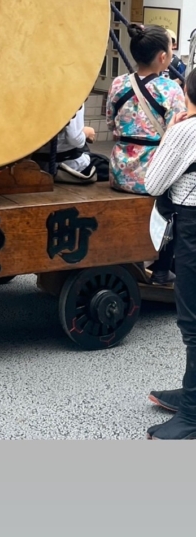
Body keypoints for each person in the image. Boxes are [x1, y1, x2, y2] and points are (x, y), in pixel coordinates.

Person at [106, 23, 186, 283]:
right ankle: (162, 268)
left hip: (119, 171)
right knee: (180, 200)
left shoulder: (118, 84)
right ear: (162, 57)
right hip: (150, 174)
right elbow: (176, 134)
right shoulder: (171, 89)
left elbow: (110, 123)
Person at [144, 68, 196, 439]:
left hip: (192, 230)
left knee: (193, 321)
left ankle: (192, 413)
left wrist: (169, 136)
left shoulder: (185, 132)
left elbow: (153, 183)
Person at [31, 106, 98, 184]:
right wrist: (87, 133)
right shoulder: (74, 96)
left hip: (33, 162)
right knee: (105, 166)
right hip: (62, 166)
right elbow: (75, 139)